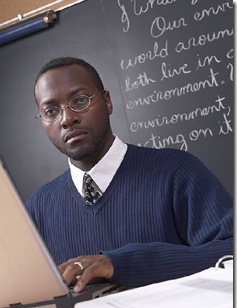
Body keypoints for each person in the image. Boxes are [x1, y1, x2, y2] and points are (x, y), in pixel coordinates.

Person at [27, 56, 233, 293]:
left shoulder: (177, 172)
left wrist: (121, 263)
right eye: (51, 111)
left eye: (80, 100)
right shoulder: (38, 208)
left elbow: (229, 250)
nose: (66, 119)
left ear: (107, 102)